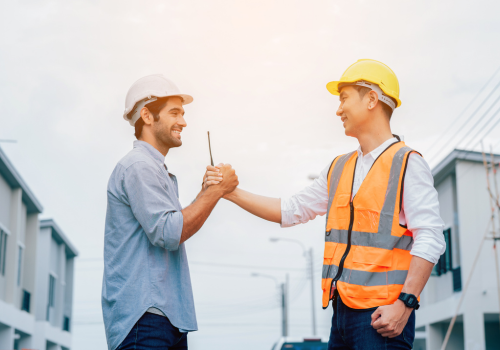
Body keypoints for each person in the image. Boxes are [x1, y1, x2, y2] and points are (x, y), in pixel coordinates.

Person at [204, 60, 446, 349]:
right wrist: (229, 192)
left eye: (343, 98)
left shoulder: (407, 163)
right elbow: (291, 210)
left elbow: (430, 238)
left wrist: (406, 304)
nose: (338, 109)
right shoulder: (339, 167)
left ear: (371, 98)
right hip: (341, 315)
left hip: (383, 318)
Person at [102, 74, 238, 350]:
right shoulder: (139, 166)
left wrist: (207, 192)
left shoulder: (155, 169)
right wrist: (215, 192)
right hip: (146, 319)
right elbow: (170, 233)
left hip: (165, 318)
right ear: (147, 116)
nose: (184, 122)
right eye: (174, 113)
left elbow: (172, 225)